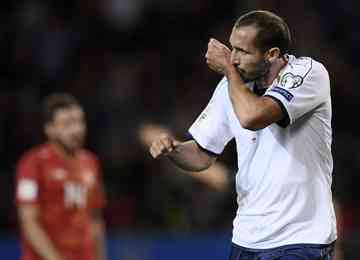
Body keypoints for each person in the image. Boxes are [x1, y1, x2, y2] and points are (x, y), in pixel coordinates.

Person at [149, 10, 336, 259]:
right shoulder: (233, 85)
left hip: (301, 238)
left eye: (243, 52)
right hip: (247, 238)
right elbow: (203, 155)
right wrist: (174, 149)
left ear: (272, 54)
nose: (233, 59)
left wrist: (227, 70)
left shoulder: (308, 73)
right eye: (232, 48)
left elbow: (252, 117)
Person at [15, 93, 106, 260]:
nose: (76, 130)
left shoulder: (91, 162)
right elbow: (28, 221)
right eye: (67, 124)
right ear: (49, 129)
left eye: (79, 122)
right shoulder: (31, 163)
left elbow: (95, 219)